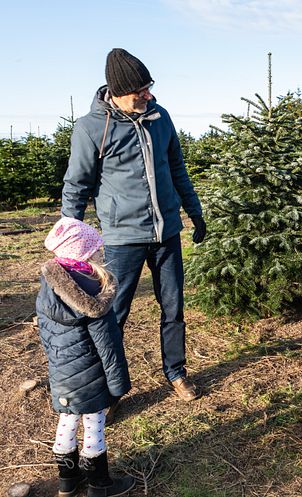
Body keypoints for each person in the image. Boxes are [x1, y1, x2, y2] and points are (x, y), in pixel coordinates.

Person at [61, 48, 206, 403]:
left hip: (166, 233)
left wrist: (194, 211)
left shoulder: (160, 117)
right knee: (113, 314)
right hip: (122, 239)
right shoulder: (91, 128)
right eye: (141, 90)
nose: (149, 95)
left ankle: (176, 372)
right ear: (119, 90)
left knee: (173, 308)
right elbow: (76, 185)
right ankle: (105, 390)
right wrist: (69, 239)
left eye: (149, 87)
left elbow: (177, 170)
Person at [37, 217, 135, 497]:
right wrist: (118, 385)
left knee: (67, 419)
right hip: (91, 373)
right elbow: (108, 345)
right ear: (83, 254)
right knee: (94, 424)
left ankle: (67, 480)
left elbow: (45, 335)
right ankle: (99, 484)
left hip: (61, 372)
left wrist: (57, 365)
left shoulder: (49, 287)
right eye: (95, 249)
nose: (99, 254)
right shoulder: (94, 294)